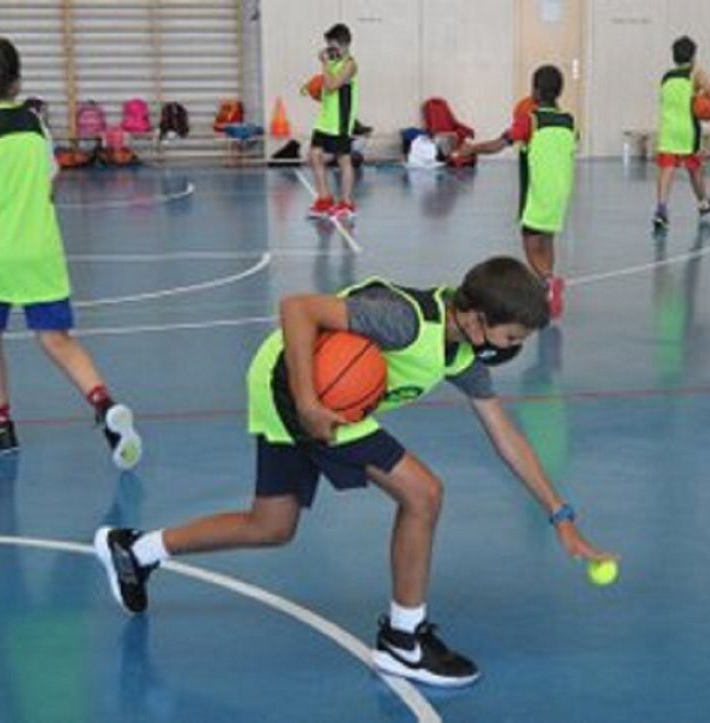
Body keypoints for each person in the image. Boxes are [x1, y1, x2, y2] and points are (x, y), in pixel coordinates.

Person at [94, 256, 613, 688]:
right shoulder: (405, 321)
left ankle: (136, 551)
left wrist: (559, 515)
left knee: (272, 526)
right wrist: (308, 400)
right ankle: (403, 640)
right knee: (423, 493)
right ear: (476, 318)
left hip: (306, 390)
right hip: (296, 385)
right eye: (509, 336)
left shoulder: (462, 353)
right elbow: (297, 308)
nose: (511, 348)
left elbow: (506, 436)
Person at [0, 38, 141, 468]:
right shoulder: (34, 124)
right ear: (16, 80)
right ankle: (103, 404)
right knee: (56, 338)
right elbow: (50, 182)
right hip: (42, 249)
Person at [455, 66, 576, 320]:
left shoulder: (530, 119)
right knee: (547, 238)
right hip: (562, 190)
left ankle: (548, 280)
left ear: (535, 91)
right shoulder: (569, 120)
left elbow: (498, 145)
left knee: (530, 243)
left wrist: (471, 149)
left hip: (538, 191)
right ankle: (548, 289)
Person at [653, 35, 710, 231]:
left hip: (668, 129)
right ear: (694, 56)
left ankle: (661, 209)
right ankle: (703, 203)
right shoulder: (695, 73)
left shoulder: (666, 77)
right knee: (694, 168)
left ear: (674, 57)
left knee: (666, 170)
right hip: (687, 130)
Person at [306, 23, 360, 221]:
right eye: (328, 46)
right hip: (324, 120)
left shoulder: (349, 65)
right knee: (314, 155)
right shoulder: (334, 63)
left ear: (344, 45)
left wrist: (324, 64)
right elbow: (325, 92)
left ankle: (347, 203)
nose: (329, 50)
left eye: (333, 46)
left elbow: (330, 86)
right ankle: (324, 199)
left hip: (340, 122)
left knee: (343, 160)